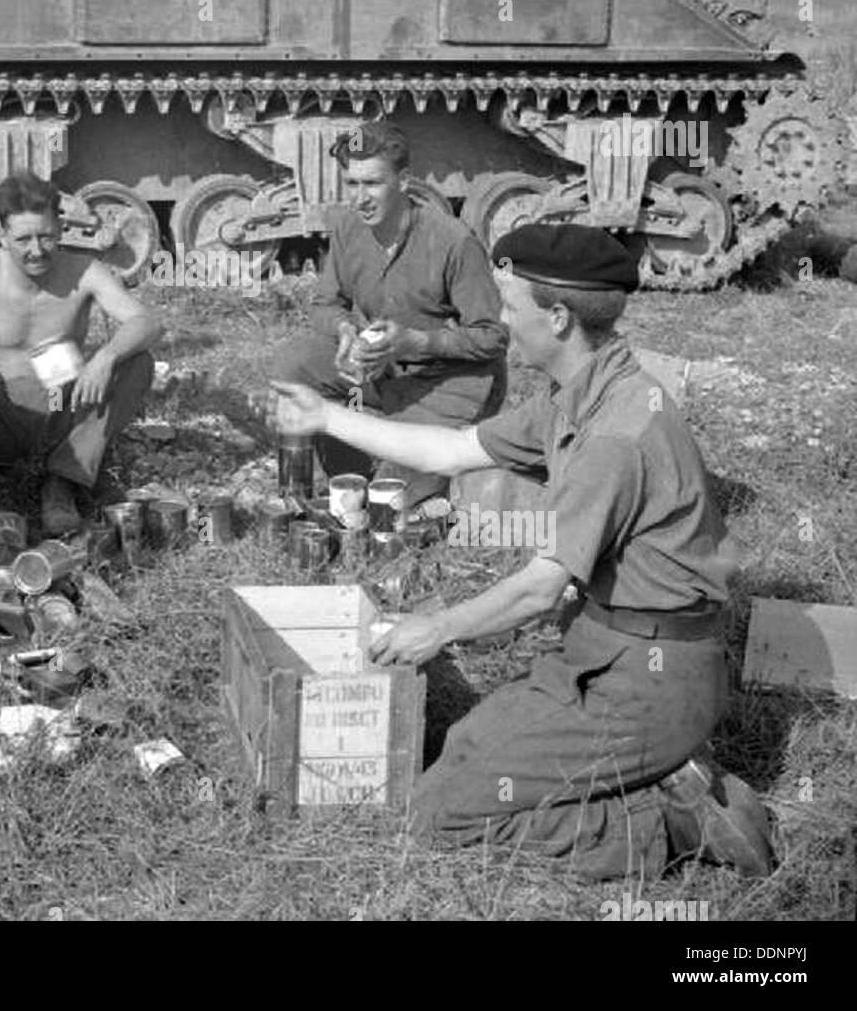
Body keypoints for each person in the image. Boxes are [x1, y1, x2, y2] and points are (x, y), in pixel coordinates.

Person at [271, 223, 774, 879]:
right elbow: (452, 450)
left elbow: (541, 588)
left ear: (559, 318)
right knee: (462, 750)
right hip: (604, 649)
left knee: (441, 813)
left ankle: (678, 821)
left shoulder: (616, 434)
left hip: (651, 680)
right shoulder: (582, 393)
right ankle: (652, 772)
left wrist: (438, 630)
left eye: (511, 308)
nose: (500, 322)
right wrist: (323, 416)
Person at [0, 171, 162, 534]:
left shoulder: (85, 270)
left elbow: (145, 321)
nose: (36, 250)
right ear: (1, 232)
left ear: (61, 229)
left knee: (137, 362)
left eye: (47, 237)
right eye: (23, 239)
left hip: (59, 414)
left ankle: (64, 481)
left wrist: (106, 357)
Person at [271, 121, 508, 506]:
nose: (360, 198)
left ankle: (447, 458)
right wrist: (346, 330)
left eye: (373, 184)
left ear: (404, 181)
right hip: (382, 373)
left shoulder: (453, 241)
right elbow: (325, 304)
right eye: (352, 184)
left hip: (450, 384)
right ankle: (340, 476)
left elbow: (493, 337)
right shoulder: (348, 228)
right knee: (295, 363)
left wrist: (415, 341)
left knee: (386, 502)